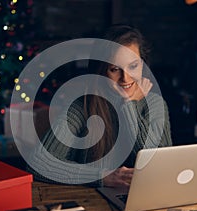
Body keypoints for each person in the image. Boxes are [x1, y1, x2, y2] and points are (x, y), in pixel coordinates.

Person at [26, 24, 172, 187]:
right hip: (93, 202)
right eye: (114, 69)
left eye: (133, 66)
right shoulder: (82, 106)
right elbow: (38, 164)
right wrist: (103, 176)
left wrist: (130, 105)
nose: (125, 78)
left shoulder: (155, 103)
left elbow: (159, 167)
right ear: (101, 70)